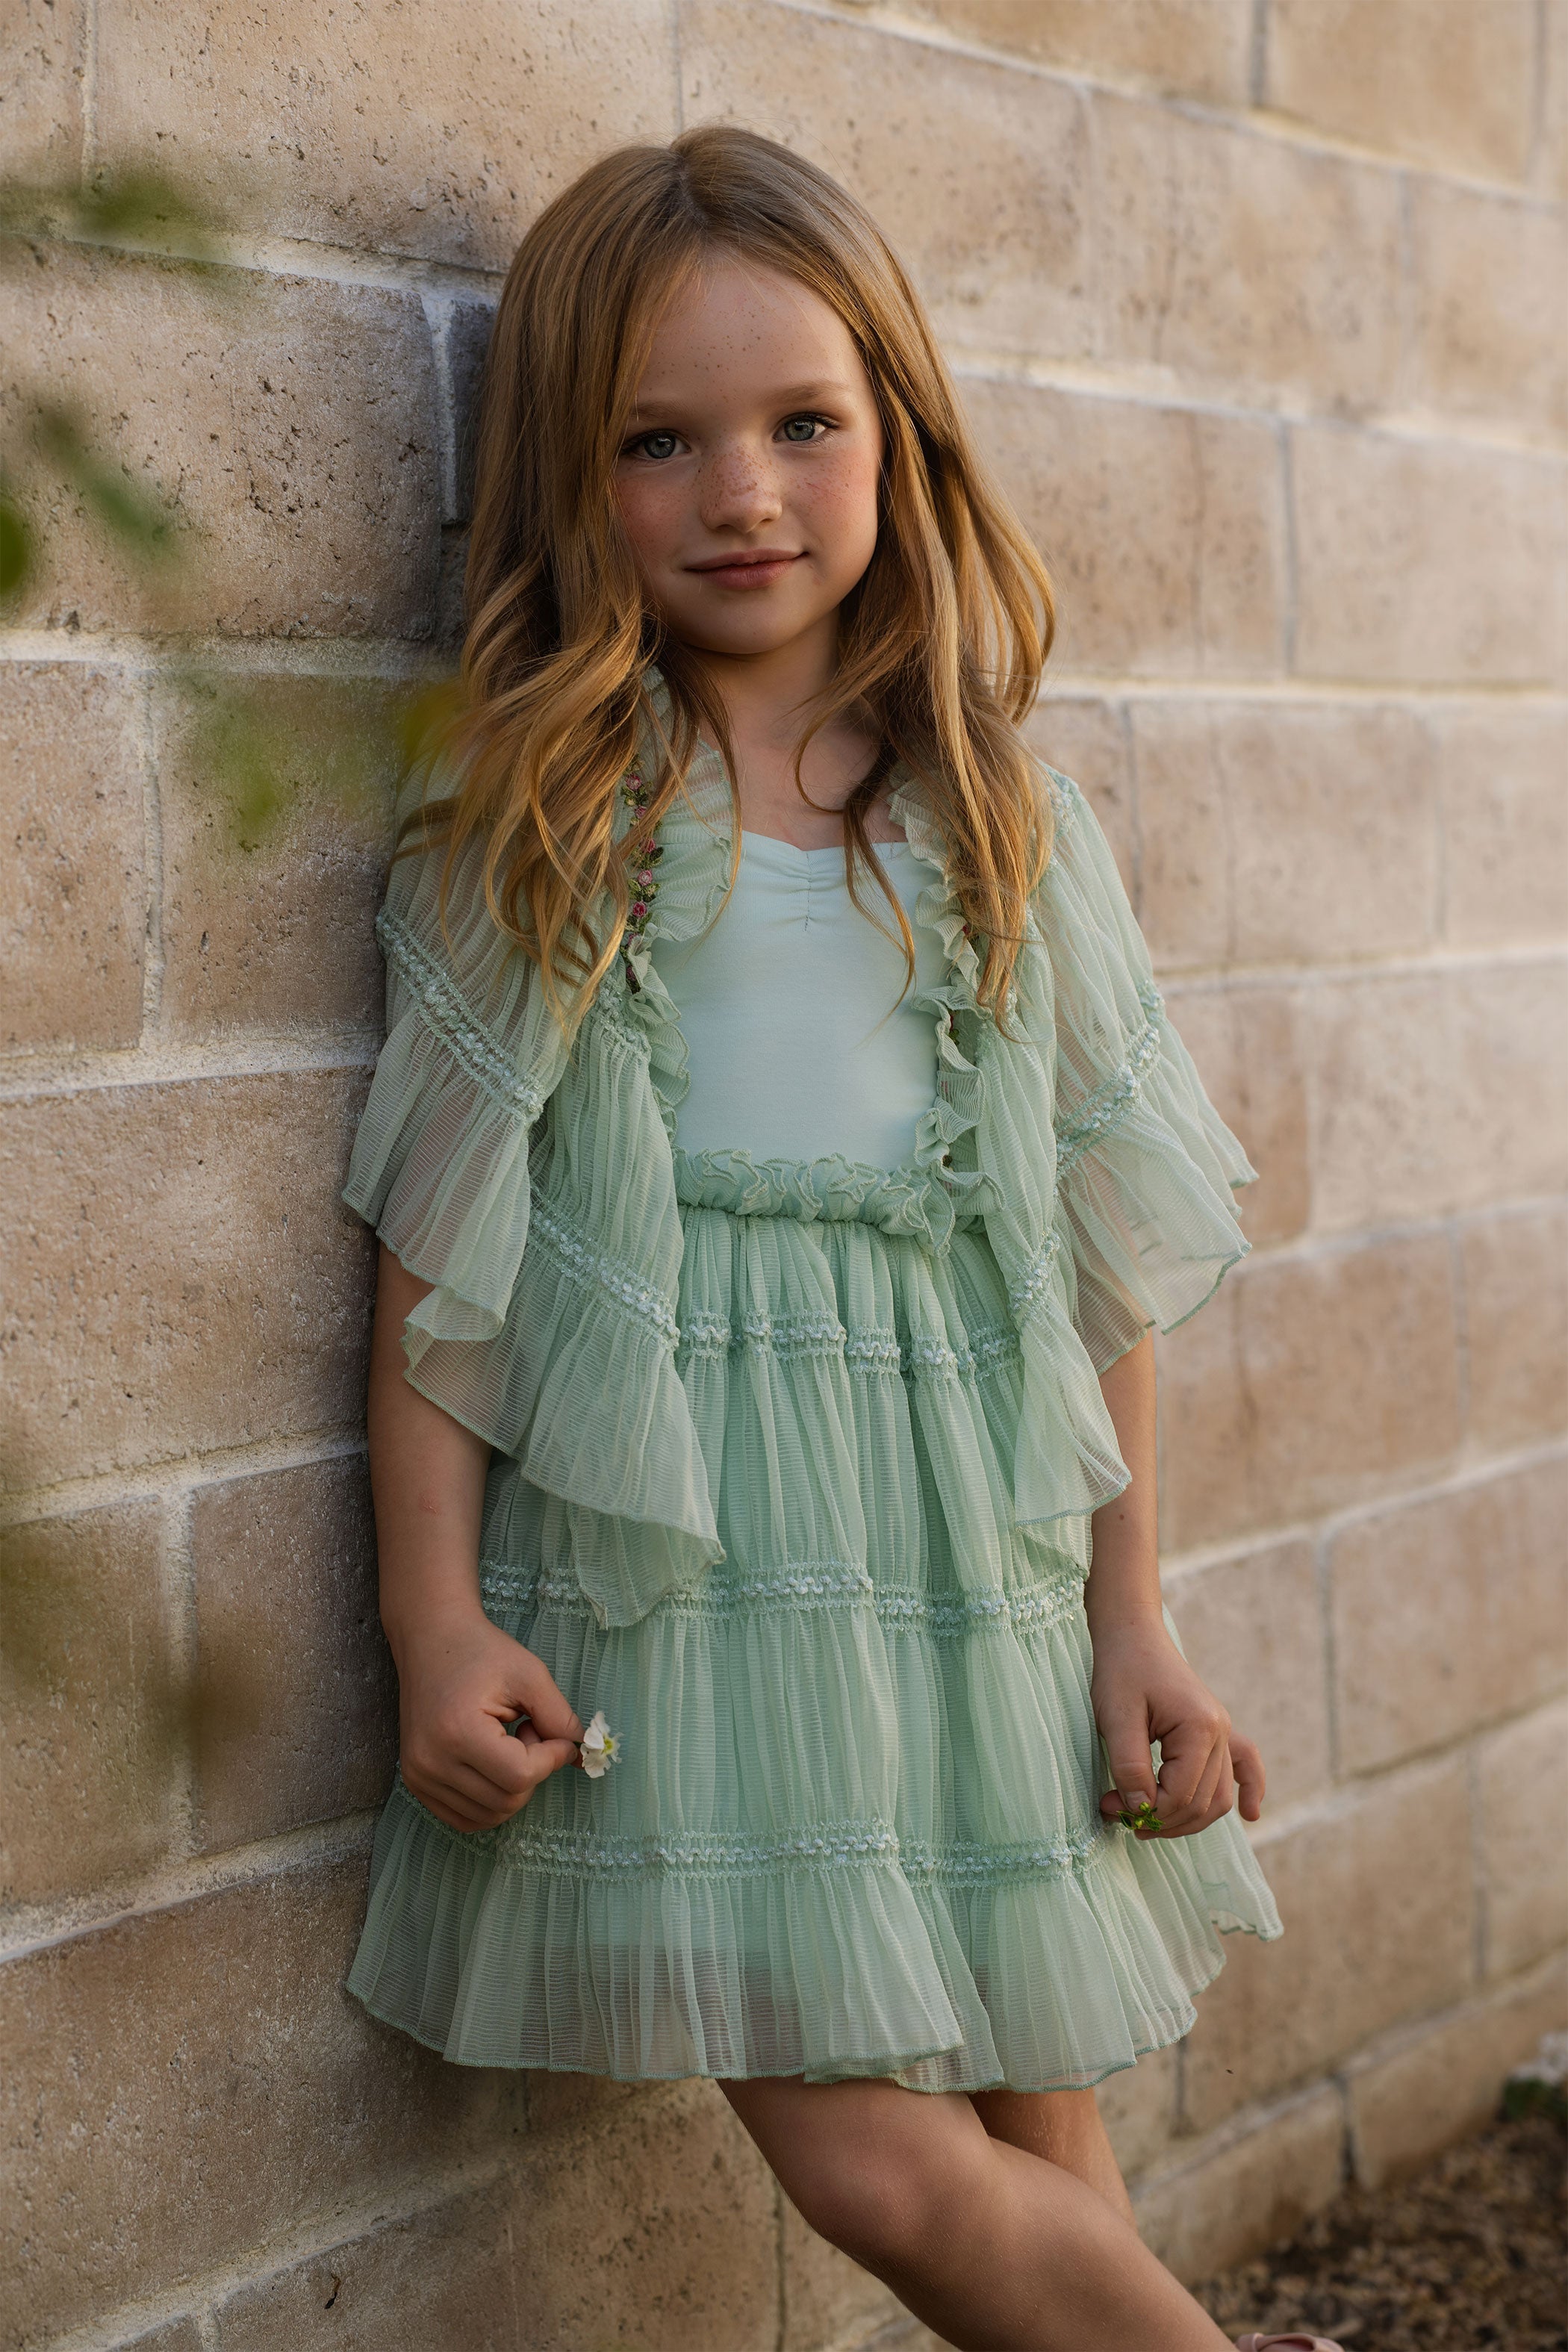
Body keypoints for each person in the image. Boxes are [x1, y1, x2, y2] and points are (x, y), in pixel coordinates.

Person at [341, 124, 1337, 2352]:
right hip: (698, 1565)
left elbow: (1077, 1262)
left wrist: (1132, 1622)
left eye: (804, 425)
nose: (743, 493)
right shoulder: (542, 820)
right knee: (877, 2160)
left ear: (896, 429)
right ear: (565, 478)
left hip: (971, 1539)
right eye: (657, 443)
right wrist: (427, 1614)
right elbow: (434, 1254)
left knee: (1042, 2135)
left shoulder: (991, 812)